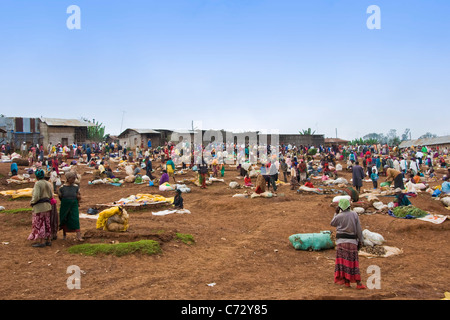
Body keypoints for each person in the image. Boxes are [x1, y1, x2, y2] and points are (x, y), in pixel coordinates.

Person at [330, 198, 366, 289]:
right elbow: (358, 229)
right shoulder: (354, 214)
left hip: (341, 243)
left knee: (343, 263)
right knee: (353, 262)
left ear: (340, 207)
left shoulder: (339, 216)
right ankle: (358, 283)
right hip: (352, 242)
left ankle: (347, 282)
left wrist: (336, 213)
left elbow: (332, 223)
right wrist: (361, 240)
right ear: (349, 206)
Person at [28, 169, 53, 247]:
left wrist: (32, 202)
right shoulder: (48, 183)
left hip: (39, 207)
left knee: (40, 223)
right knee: (47, 223)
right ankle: (48, 240)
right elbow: (51, 195)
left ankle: (42, 242)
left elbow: (36, 196)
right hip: (47, 206)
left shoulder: (38, 184)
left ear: (36, 176)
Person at [58, 171, 83, 241]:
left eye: (74, 179)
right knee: (64, 219)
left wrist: (78, 198)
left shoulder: (76, 187)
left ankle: (78, 235)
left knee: (75, 219)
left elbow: (79, 195)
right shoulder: (62, 188)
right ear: (68, 179)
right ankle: (64, 235)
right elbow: (60, 197)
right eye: (72, 179)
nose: (73, 180)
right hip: (65, 205)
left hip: (74, 204)